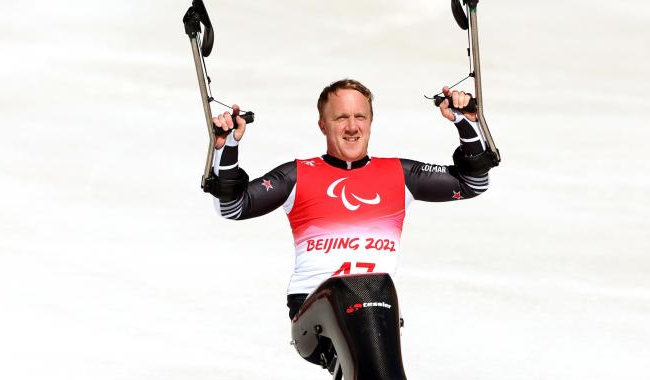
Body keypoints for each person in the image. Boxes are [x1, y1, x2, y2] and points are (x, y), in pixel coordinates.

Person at [207, 79, 495, 322]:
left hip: (376, 304)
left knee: (374, 297)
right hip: (315, 308)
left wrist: (465, 123)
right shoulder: (296, 175)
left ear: (370, 122)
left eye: (360, 117)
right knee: (366, 302)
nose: (352, 127)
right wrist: (227, 146)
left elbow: (473, 184)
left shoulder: (399, 174)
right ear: (323, 125)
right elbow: (232, 207)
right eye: (341, 117)